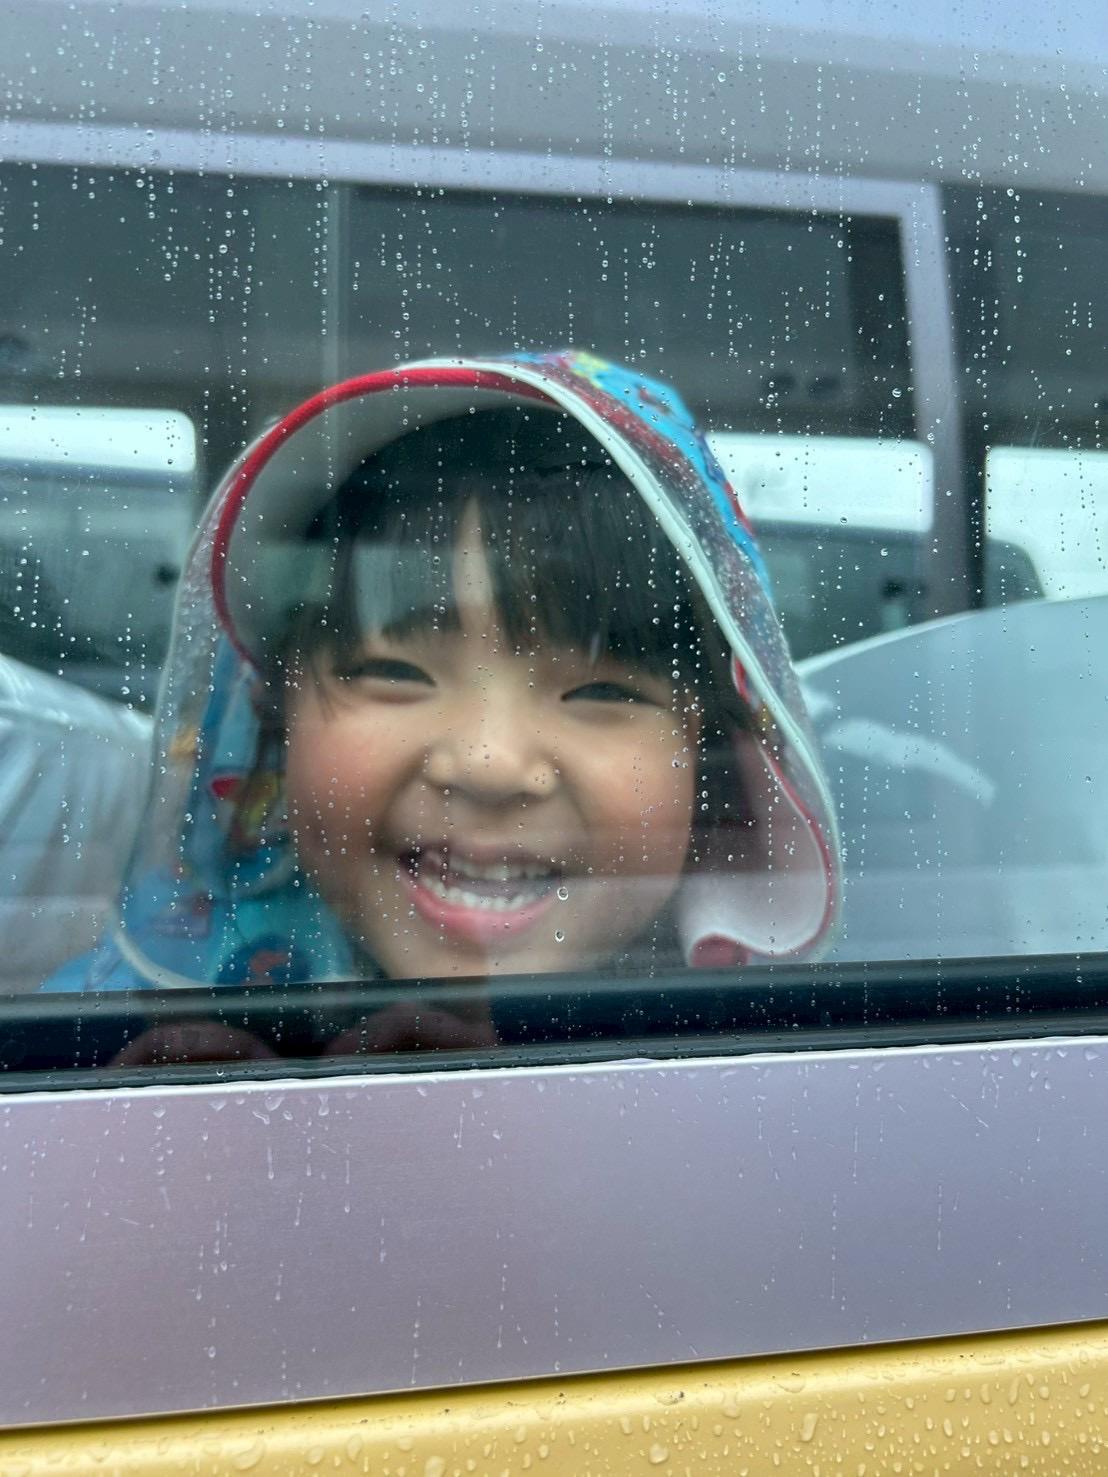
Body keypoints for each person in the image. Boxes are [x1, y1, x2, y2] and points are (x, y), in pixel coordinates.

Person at [45, 350, 839, 1009]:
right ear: (279, 715)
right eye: (394, 671)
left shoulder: (792, 1055)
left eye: (602, 692)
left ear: (706, 750)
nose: (491, 764)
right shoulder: (131, 1041)